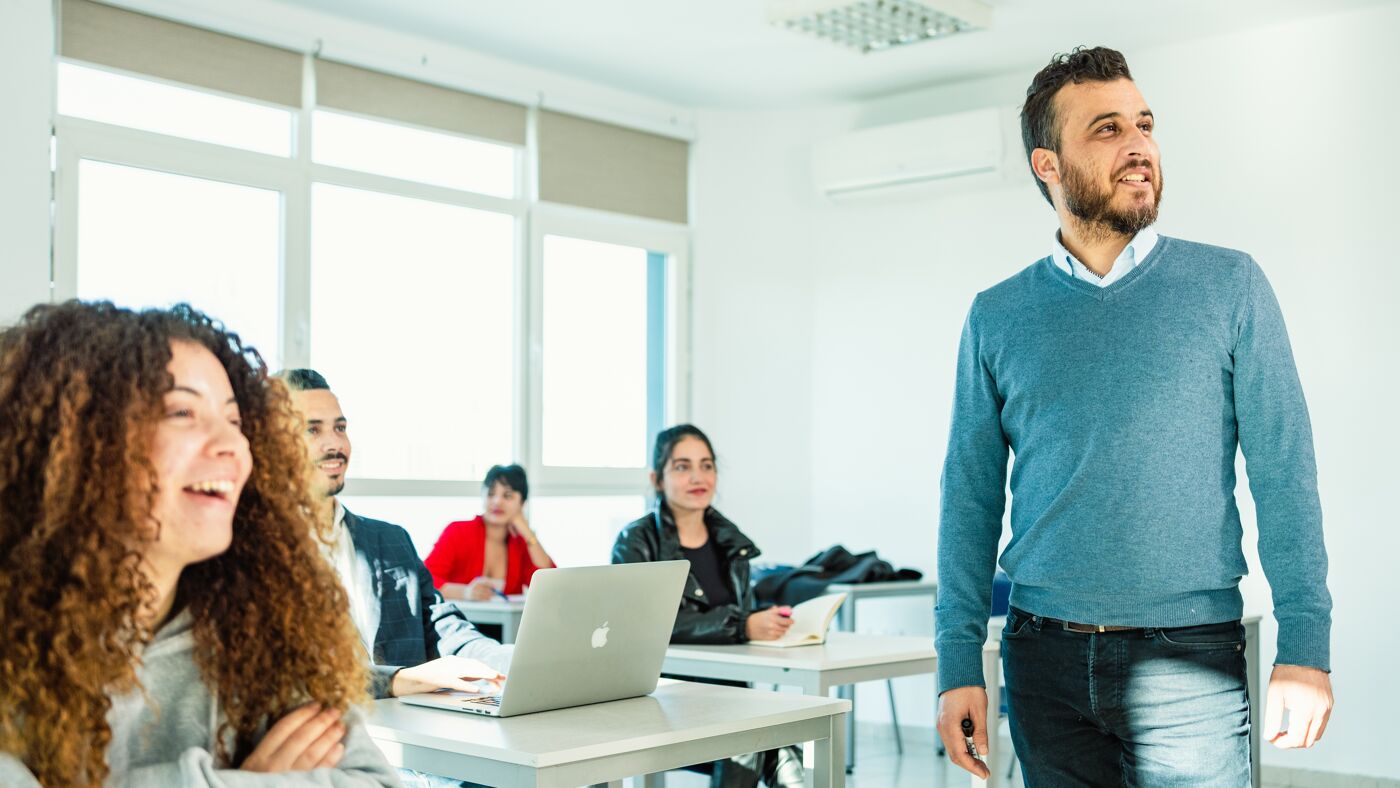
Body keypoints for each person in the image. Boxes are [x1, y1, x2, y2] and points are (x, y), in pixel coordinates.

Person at [934, 46, 1333, 786]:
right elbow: (969, 496)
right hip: (1042, 663)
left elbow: (1284, 471)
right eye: (1108, 129)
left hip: (1192, 667)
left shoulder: (1229, 286)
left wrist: (1305, 644)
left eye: (1144, 124)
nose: (1139, 145)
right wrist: (958, 661)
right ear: (1048, 165)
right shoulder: (997, 316)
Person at [0, 301, 397, 787]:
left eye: (234, 420)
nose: (231, 445)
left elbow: (376, 782)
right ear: (78, 441)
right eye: (182, 412)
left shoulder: (260, 630)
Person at [277, 368, 511, 700]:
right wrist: (400, 680)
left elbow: (446, 631)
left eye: (340, 428)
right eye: (312, 430)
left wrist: (511, 659)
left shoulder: (390, 540)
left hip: (414, 736)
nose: (335, 444)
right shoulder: (254, 552)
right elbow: (290, 671)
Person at [613, 425, 801, 788]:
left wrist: (769, 623)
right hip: (665, 696)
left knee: (787, 746)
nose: (698, 477)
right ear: (657, 478)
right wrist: (742, 625)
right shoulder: (636, 540)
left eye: (707, 466)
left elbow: (742, 614)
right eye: (683, 467)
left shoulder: (732, 543)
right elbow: (646, 624)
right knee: (757, 741)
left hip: (732, 695)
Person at [425, 465, 555, 601]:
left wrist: (527, 531)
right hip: (458, 619)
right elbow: (425, 580)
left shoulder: (521, 543)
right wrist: (466, 593)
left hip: (507, 622)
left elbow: (550, 584)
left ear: (522, 503)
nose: (497, 501)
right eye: (491, 494)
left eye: (507, 495)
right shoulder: (458, 531)